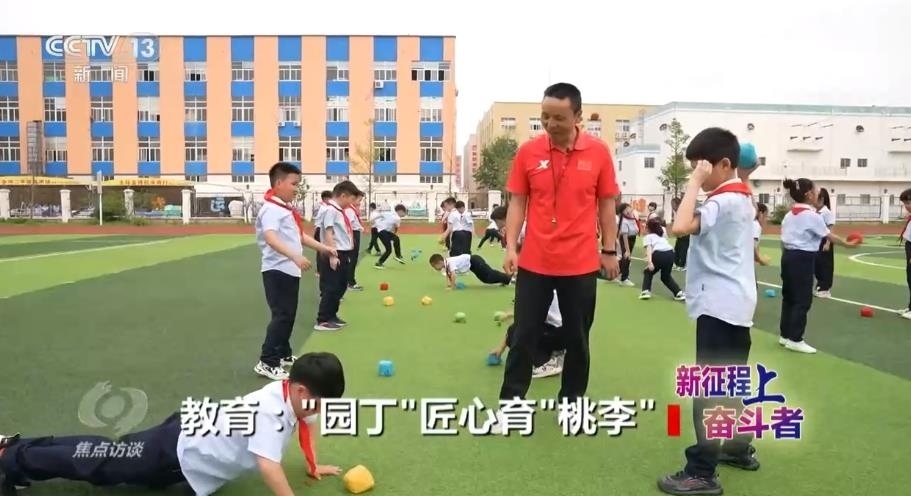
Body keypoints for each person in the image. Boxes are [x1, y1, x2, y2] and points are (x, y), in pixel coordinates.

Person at [0, 353, 346, 496]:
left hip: (191, 434)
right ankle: (12, 458)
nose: (319, 410)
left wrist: (314, 464)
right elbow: (269, 466)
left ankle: (17, 448)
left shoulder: (295, 393)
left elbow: (309, 424)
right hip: (177, 450)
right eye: (320, 402)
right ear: (301, 390)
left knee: (108, 453)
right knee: (102, 463)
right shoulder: (269, 412)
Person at [495, 82, 620, 432]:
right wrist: (510, 246)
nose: (550, 124)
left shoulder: (598, 153)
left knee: (577, 339)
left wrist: (609, 250)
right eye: (545, 117)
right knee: (523, 335)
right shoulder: (528, 152)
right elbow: (517, 202)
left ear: (578, 116)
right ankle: (511, 404)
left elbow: (606, 205)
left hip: (580, 263)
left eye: (559, 117)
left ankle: (571, 405)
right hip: (535, 261)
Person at [656, 127, 760, 495]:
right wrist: (708, 178)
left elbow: (680, 226)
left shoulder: (723, 200)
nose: (697, 173)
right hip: (736, 303)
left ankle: (701, 472)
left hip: (719, 306)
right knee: (729, 383)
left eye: (701, 166)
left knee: (710, 390)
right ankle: (737, 447)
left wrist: (694, 184)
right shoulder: (741, 196)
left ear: (724, 164)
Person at [254, 162, 336, 381]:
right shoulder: (271, 209)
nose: (296, 189)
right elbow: (271, 238)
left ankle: (283, 353)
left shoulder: (284, 209)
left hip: (289, 270)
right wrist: (295, 256)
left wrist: (324, 249)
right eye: (293, 184)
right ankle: (267, 361)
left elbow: (299, 236)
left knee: (288, 315)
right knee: (282, 315)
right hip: (277, 270)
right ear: (279, 183)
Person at [778, 178, 859, 354]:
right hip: (803, 258)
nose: (818, 194)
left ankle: (785, 335)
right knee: (802, 300)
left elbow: (783, 241)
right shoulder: (812, 216)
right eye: (816, 191)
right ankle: (795, 339)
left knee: (789, 297)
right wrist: (847, 244)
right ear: (809, 195)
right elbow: (829, 236)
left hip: (788, 257)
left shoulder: (789, 215)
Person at [314, 180, 363, 332]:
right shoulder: (331, 210)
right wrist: (332, 255)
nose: (352, 203)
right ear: (343, 196)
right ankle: (323, 319)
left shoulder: (338, 211)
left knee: (341, 285)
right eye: (351, 199)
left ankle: (332, 315)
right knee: (332, 286)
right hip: (335, 252)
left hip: (344, 252)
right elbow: (329, 232)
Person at [491, 292, 566, 378]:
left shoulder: (541, 290)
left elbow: (527, 316)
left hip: (557, 334)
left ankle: (550, 363)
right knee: (516, 329)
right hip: (559, 333)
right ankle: (553, 356)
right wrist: (500, 349)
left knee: (520, 329)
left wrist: (509, 315)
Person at [639, 218, 685, 301]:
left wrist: (650, 262)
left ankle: (645, 292)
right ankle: (678, 293)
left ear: (648, 228)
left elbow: (649, 249)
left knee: (648, 272)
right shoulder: (661, 237)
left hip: (660, 254)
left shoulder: (648, 237)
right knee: (665, 277)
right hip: (670, 254)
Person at [428, 252, 512, 288]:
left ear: (439, 262)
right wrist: (449, 284)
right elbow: (448, 275)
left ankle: (509, 278)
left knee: (489, 275)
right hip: (472, 265)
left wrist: (452, 287)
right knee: (486, 279)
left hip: (474, 261)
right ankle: (505, 279)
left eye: (434, 266)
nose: (435, 268)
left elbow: (453, 275)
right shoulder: (446, 265)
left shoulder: (449, 262)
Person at [813, 188, 836, 298]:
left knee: (825, 265)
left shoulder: (826, 212)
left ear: (821, 199)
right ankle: (820, 285)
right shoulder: (815, 212)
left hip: (825, 241)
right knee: (817, 264)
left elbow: (830, 228)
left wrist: (827, 244)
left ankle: (825, 288)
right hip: (817, 241)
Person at [374, 204, 407, 269]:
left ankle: (398, 256)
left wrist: (373, 220)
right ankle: (379, 263)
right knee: (389, 250)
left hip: (383, 231)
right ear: (400, 211)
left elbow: (380, 215)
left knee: (396, 238)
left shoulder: (389, 213)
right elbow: (396, 228)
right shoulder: (397, 218)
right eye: (404, 213)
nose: (404, 215)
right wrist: (393, 234)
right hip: (383, 232)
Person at [345, 192, 365, 291]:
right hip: (353, 234)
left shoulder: (353, 209)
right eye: (359, 200)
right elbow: (348, 225)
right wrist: (351, 238)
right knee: (352, 259)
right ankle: (350, 282)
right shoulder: (349, 210)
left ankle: (350, 281)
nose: (360, 202)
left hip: (355, 233)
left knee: (353, 259)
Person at [617, 202, 639, 286]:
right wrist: (627, 250)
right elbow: (625, 237)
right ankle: (624, 278)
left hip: (632, 238)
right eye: (626, 209)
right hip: (626, 240)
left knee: (625, 258)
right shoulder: (624, 221)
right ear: (623, 212)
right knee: (627, 257)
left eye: (629, 208)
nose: (629, 210)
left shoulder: (632, 217)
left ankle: (615, 272)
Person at [313, 190, 333, 276]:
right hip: (320, 229)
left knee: (322, 249)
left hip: (320, 229)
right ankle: (319, 271)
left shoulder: (324, 207)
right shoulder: (324, 208)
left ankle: (321, 269)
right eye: (330, 199)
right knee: (321, 250)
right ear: (325, 199)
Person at [898, 188, 911, 320]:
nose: (906, 206)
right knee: (910, 278)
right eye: (904, 203)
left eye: (908, 203)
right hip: (909, 247)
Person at [671, 197, 690, 272]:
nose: (672, 206)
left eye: (673, 204)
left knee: (683, 249)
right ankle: (676, 263)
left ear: (677, 204)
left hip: (685, 233)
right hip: (680, 234)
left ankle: (682, 265)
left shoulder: (683, 212)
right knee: (677, 248)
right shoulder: (676, 212)